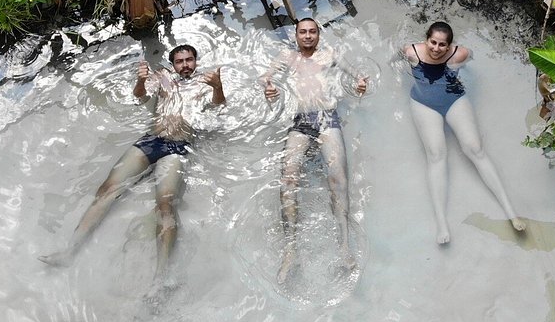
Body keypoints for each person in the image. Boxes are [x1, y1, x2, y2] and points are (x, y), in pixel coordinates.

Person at [40, 45, 226, 280]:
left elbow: (217, 107)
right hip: (151, 140)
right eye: (180, 61)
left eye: (189, 60)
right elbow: (141, 97)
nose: (185, 65)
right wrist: (140, 81)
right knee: (107, 189)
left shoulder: (205, 83)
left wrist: (218, 87)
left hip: (177, 148)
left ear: (196, 61)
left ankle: (161, 277)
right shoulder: (163, 77)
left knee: (165, 206)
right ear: (173, 64)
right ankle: (69, 251)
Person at [263, 18, 368, 282]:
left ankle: (344, 246)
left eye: (312, 32)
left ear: (319, 34)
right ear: (296, 35)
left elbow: (356, 75)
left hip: (326, 119)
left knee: (338, 179)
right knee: (288, 179)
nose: (308, 36)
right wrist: (270, 89)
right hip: (299, 122)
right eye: (303, 32)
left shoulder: (329, 55)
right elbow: (265, 78)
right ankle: (290, 252)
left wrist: (360, 85)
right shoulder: (288, 56)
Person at [402, 21, 525, 245]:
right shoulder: (411, 52)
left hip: (454, 98)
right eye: (433, 42)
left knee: (475, 149)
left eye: (442, 45)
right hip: (423, 102)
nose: (437, 49)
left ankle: (511, 212)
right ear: (425, 40)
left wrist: (459, 71)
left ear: (450, 46)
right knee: (437, 154)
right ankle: (441, 223)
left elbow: (471, 66)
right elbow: (395, 63)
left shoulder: (460, 55)